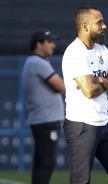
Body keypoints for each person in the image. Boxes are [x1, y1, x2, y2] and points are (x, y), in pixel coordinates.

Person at [62, 6, 108, 184]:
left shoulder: (103, 51)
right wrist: (107, 81)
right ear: (85, 26)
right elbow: (89, 91)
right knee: (81, 181)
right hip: (82, 125)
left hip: (105, 124)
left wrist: (100, 81)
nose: (104, 26)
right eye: (99, 22)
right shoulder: (75, 52)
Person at [22, 29, 65, 184]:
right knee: (47, 163)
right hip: (46, 121)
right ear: (38, 44)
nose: (53, 45)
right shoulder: (37, 62)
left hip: (43, 120)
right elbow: (60, 86)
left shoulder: (35, 62)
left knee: (42, 163)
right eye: (50, 42)